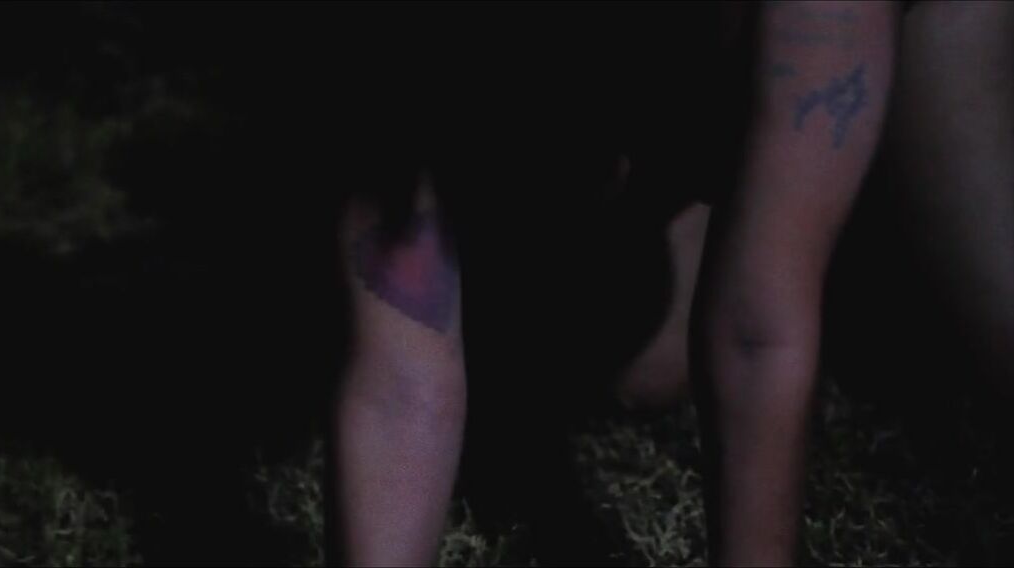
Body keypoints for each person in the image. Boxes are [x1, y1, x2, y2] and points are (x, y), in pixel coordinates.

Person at [330, 2, 903, 565]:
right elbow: (399, 378)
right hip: (544, 139)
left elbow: (760, 332)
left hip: (685, 135)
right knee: (613, 360)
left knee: (654, 362)